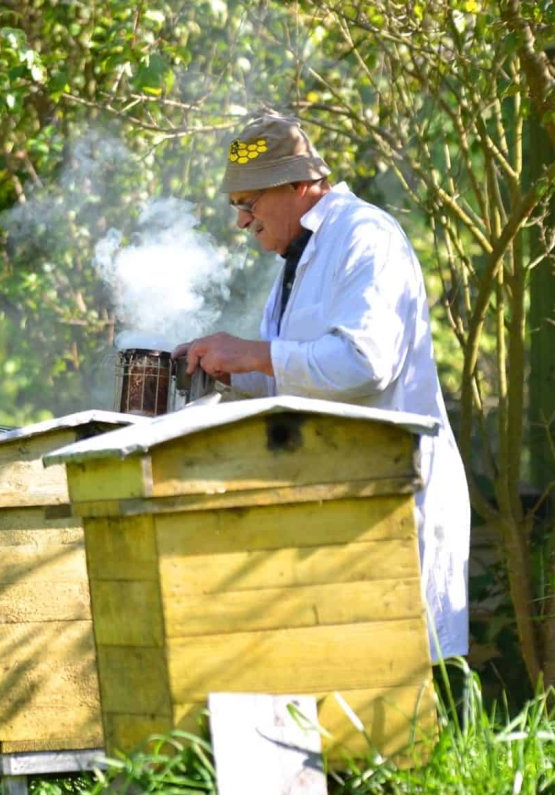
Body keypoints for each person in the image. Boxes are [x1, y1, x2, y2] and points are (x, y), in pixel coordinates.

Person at [179, 113, 470, 661]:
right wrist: (224, 367)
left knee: (400, 682)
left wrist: (253, 353)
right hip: (337, 502)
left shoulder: (366, 237)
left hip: (391, 498)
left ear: (296, 184)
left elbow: (365, 362)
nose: (241, 221)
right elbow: (296, 375)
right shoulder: (299, 256)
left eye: (248, 203)